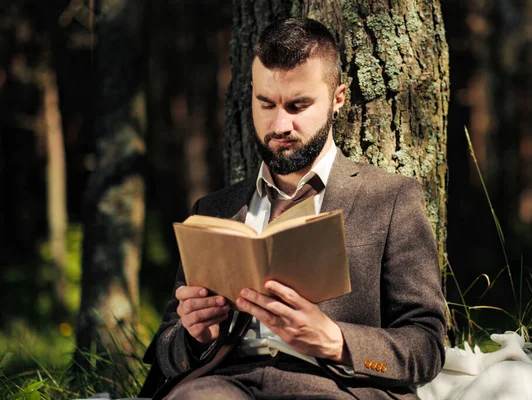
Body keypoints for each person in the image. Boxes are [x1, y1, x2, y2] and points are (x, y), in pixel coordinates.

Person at [143, 17, 446, 400]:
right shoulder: (215, 209)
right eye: (265, 103)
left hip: (338, 388)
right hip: (224, 385)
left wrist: (334, 339)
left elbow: (426, 347)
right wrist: (192, 336)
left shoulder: (390, 199)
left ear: (337, 98)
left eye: (298, 105)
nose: (280, 124)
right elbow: (167, 349)